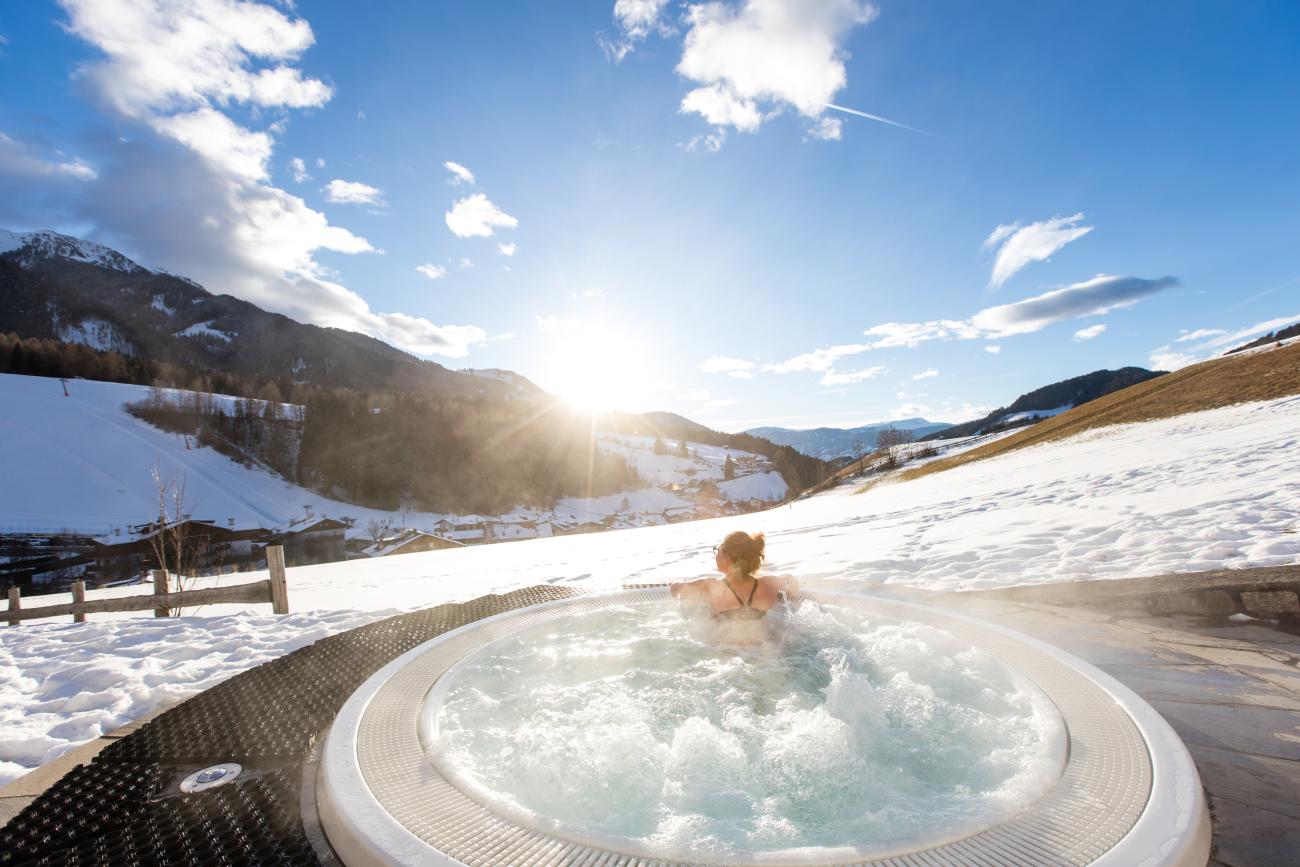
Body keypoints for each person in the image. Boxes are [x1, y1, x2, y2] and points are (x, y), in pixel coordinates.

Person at [670, 530, 799, 621]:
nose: (716, 555)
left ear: (727, 558)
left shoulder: (711, 587)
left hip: (726, 648)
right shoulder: (768, 584)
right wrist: (793, 587)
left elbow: (675, 588)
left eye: (718, 551)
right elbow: (790, 579)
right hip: (766, 643)